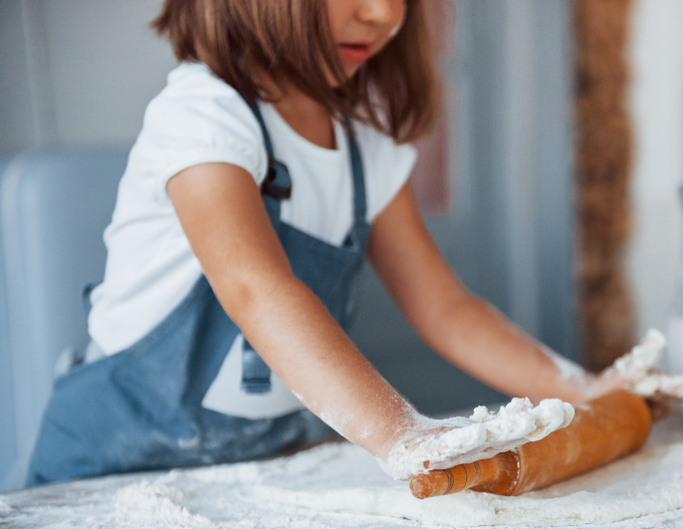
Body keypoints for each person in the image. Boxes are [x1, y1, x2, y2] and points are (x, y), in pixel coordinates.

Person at [27, 0, 629, 486]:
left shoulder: (363, 143)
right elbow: (256, 290)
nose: (382, 12)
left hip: (251, 476)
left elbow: (446, 308)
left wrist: (588, 391)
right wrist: (400, 433)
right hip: (105, 480)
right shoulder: (203, 117)